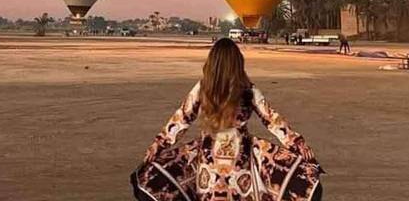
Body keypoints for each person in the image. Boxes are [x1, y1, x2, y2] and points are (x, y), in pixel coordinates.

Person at [131, 38, 322, 201]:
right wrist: (298, 143)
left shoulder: (203, 88)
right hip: (241, 161)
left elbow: (181, 119)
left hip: (208, 160)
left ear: (212, 62)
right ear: (237, 62)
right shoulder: (247, 89)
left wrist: (159, 145)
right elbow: (272, 119)